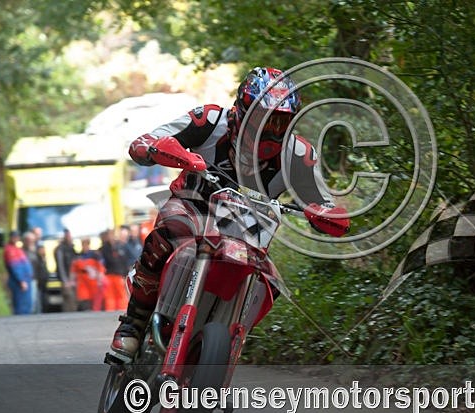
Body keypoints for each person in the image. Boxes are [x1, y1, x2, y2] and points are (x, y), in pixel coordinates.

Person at [108, 66, 350, 362]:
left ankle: (228, 347)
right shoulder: (209, 120)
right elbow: (148, 140)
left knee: (269, 281)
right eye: (263, 119)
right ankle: (133, 324)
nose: (270, 130)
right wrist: (164, 150)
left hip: (247, 231)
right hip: (192, 207)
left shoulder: (298, 154)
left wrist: (327, 215)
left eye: (280, 122)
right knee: (169, 228)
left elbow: (322, 201)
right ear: (242, 110)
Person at [3, 230, 33, 315]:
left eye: (17, 237)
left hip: (26, 280)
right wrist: (21, 281)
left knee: (27, 305)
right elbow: (15, 267)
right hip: (18, 282)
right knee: (21, 306)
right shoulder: (10, 250)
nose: (16, 239)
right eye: (14, 237)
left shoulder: (17, 249)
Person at [71, 238, 106, 311]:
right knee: (84, 296)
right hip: (82, 280)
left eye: (86, 244)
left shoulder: (95, 255)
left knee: (94, 296)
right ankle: (87, 309)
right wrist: (72, 280)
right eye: (83, 245)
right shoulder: (78, 256)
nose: (84, 246)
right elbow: (73, 269)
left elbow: (100, 267)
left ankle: (94, 310)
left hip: (92, 279)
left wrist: (100, 278)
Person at [100, 229, 130, 311]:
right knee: (109, 295)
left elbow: (124, 261)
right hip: (109, 274)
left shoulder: (120, 246)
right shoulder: (104, 248)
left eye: (112, 235)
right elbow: (106, 261)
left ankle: (122, 309)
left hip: (119, 274)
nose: (111, 237)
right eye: (109, 235)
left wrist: (125, 274)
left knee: (121, 294)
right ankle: (110, 311)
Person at [22, 231, 47, 313]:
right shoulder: (23, 252)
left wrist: (42, 257)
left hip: (38, 279)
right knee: (31, 302)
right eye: (29, 240)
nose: (31, 242)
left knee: (37, 302)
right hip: (29, 279)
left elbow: (41, 265)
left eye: (33, 240)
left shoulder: (36, 251)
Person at [54, 229, 78, 312]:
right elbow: (61, 266)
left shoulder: (72, 248)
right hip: (67, 279)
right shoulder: (60, 249)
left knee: (74, 301)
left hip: (73, 279)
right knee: (68, 299)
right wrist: (65, 281)